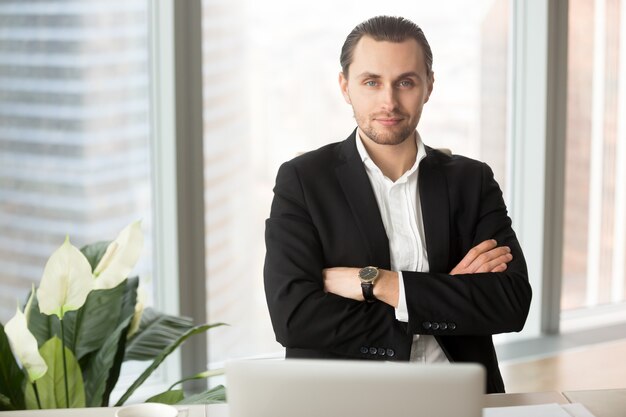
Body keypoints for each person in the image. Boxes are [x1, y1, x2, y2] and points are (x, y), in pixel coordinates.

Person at [263, 15, 532, 394]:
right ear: (345, 86)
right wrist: (441, 298)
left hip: (459, 395)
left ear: (428, 86)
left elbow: (510, 302)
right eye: (371, 82)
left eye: (405, 82)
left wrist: (379, 284)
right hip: (347, 399)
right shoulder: (304, 181)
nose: (388, 102)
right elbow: (294, 317)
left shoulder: (472, 181)